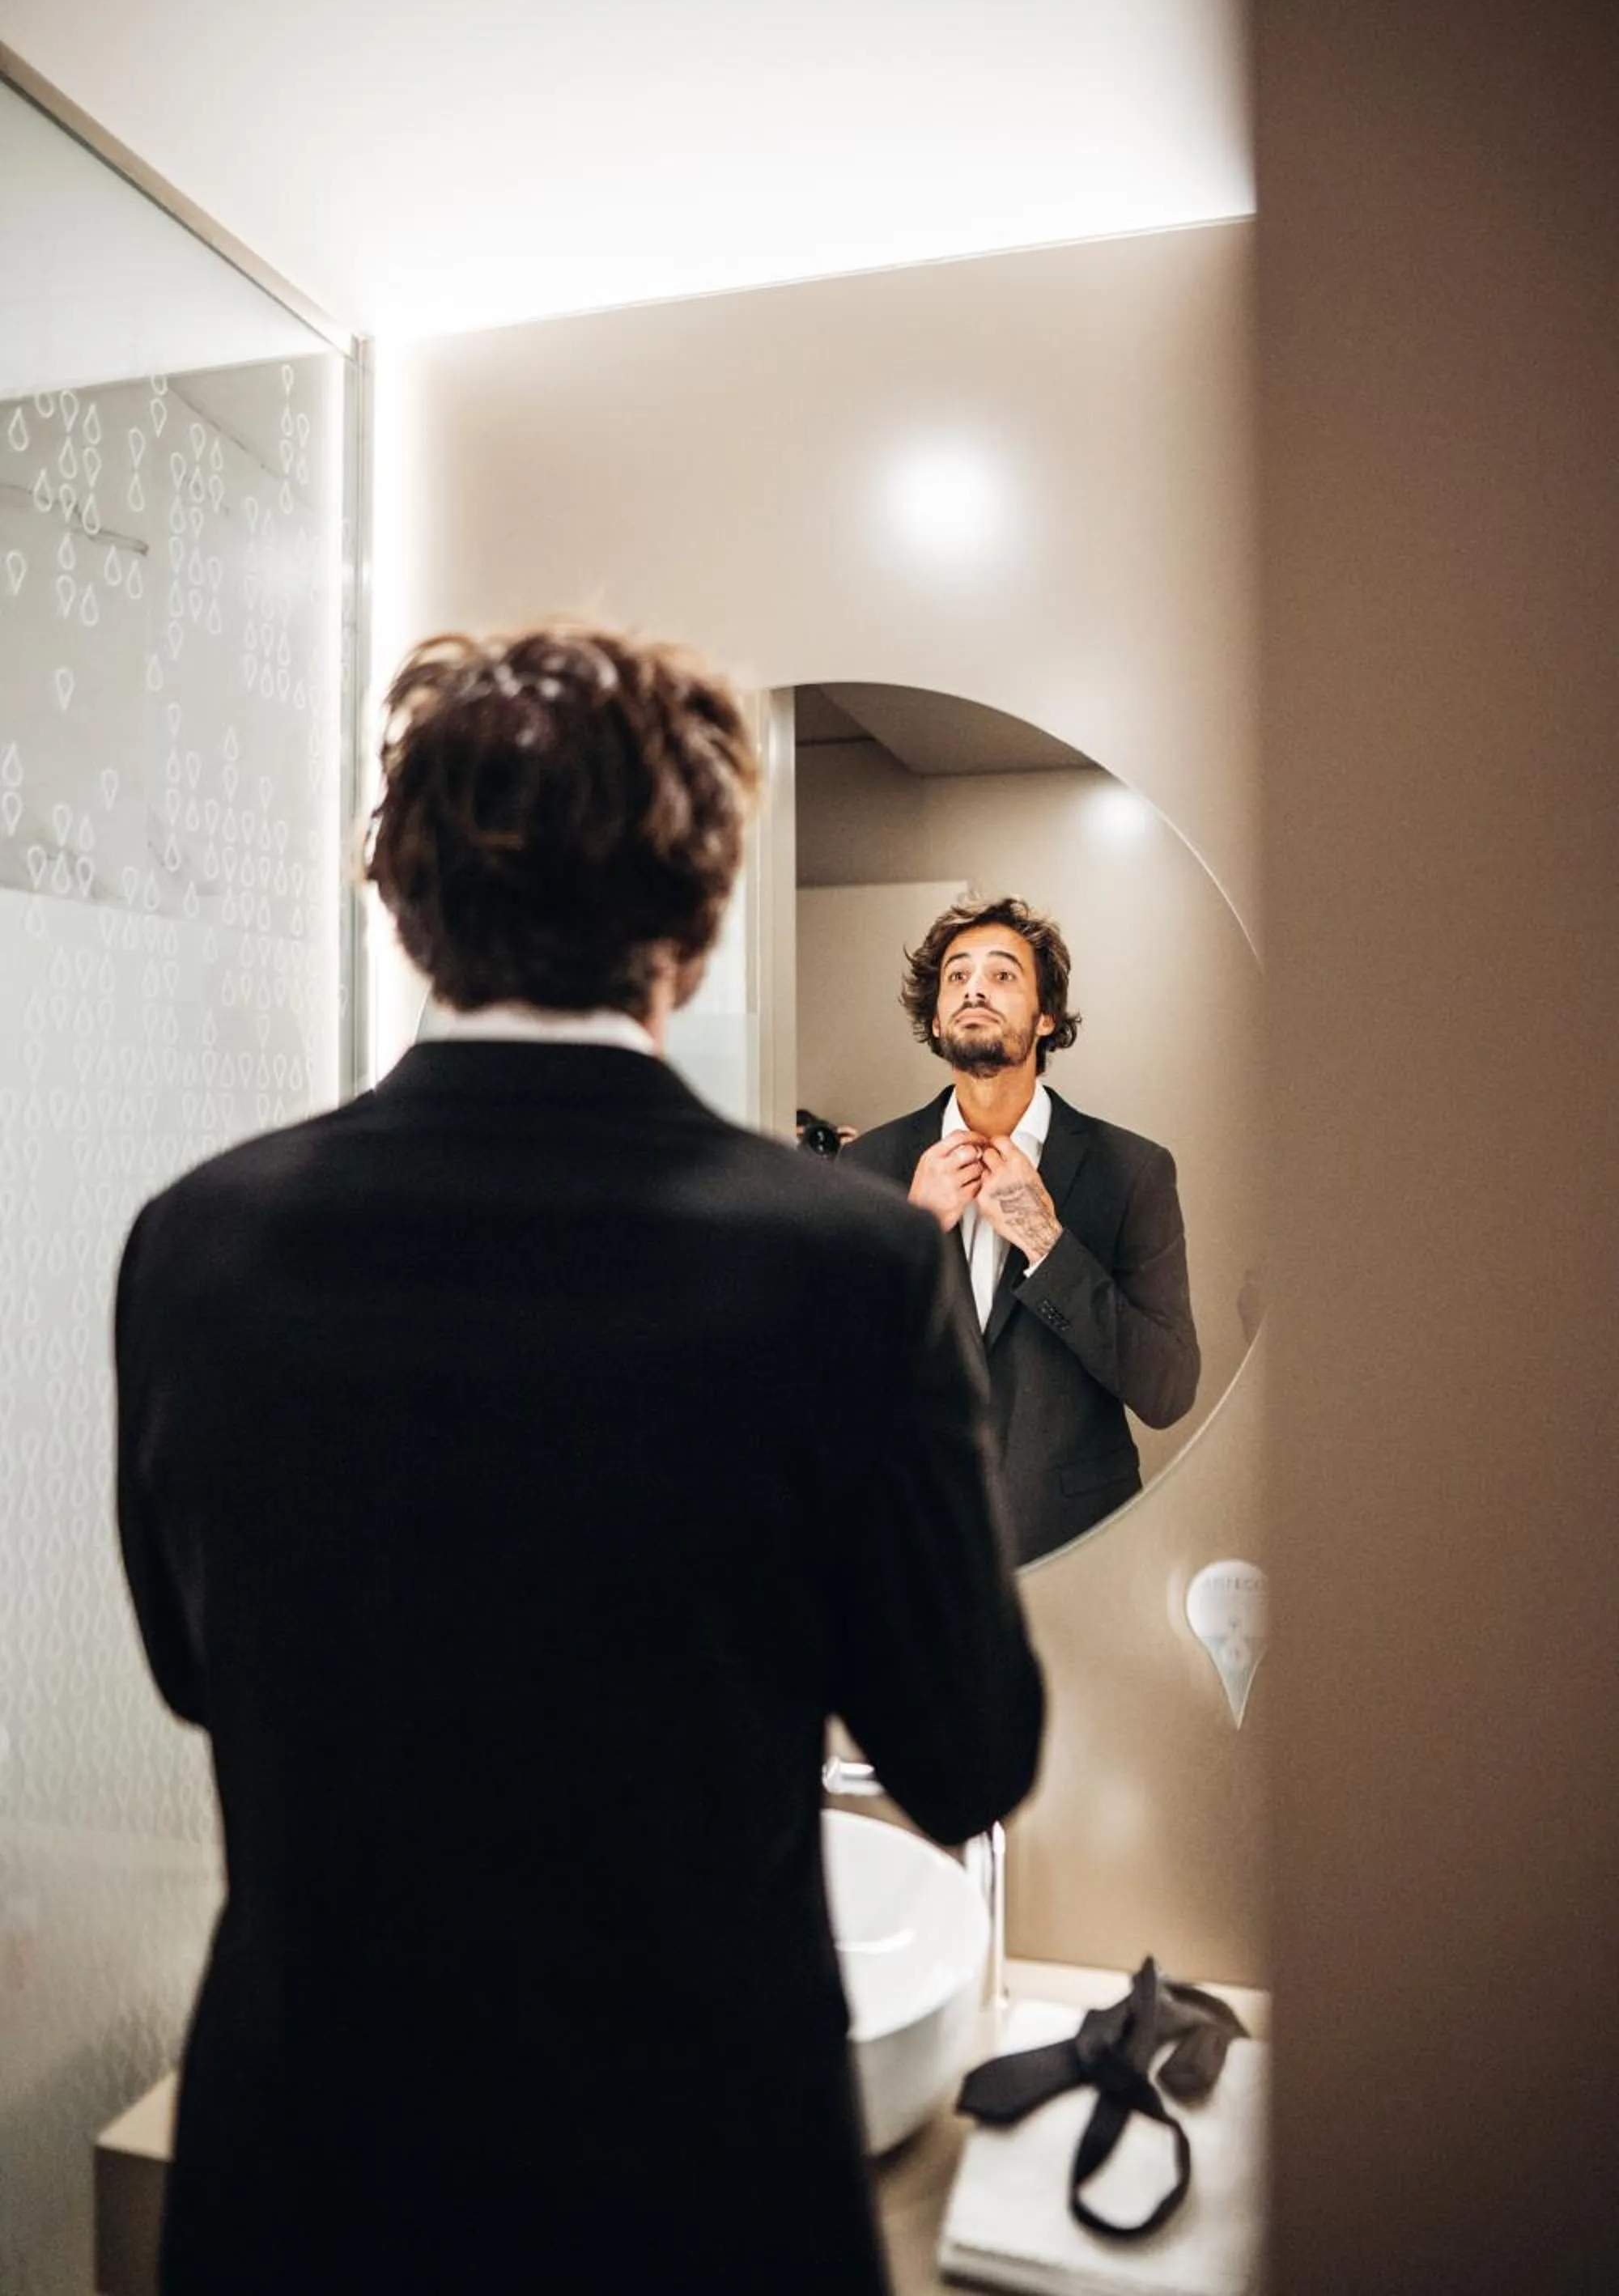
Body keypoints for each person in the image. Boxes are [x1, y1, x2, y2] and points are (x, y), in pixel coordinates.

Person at [114, 626, 1044, 2296]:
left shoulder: (197, 1243)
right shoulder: (847, 1267)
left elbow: (199, 1674)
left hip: (307, 2177)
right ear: (693, 922)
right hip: (698, 2185)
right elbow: (967, 1750)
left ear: (403, 901)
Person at [841, 893, 1200, 1567]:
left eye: (1003, 973)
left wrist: (1047, 1244)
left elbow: (1168, 1388)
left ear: (1045, 1017)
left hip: (1082, 1549)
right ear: (936, 1017)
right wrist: (909, 1239)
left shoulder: (1133, 1170)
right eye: (957, 975)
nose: (974, 987)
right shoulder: (869, 1166)